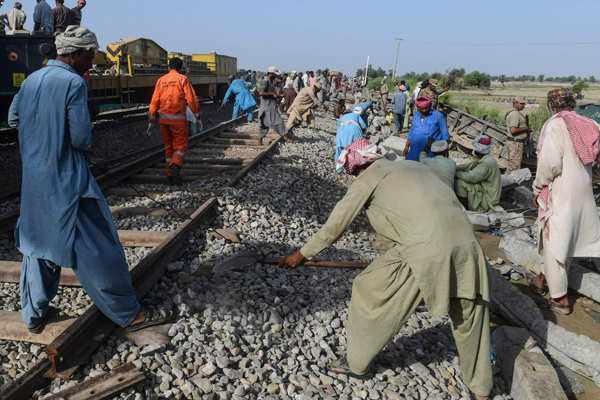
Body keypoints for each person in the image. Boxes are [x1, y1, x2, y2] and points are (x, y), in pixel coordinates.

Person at [281, 139, 492, 400]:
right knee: (469, 317)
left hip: (425, 250)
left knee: (367, 288)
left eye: (353, 173)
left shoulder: (369, 178)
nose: (354, 177)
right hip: (468, 244)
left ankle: (356, 364)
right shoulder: (414, 167)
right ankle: (482, 390)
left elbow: (336, 225)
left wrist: (302, 253)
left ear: (358, 166)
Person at [7, 26, 167, 335]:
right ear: (76, 54)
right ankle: (127, 314)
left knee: (39, 244)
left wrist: (40, 134)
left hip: (34, 178)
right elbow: (81, 137)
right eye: (90, 55)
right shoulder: (72, 83)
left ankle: (34, 314)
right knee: (96, 245)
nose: (92, 62)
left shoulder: (31, 80)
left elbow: (14, 118)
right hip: (67, 178)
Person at [530, 88, 600, 315]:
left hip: (561, 191)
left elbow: (550, 164)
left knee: (553, 241)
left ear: (552, 105)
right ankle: (541, 279)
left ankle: (560, 298)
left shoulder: (556, 125)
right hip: (583, 190)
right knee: (567, 240)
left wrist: (537, 186)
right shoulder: (590, 124)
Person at [148, 57, 200, 185]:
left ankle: (170, 176)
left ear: (168, 67)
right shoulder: (183, 79)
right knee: (180, 146)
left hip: (163, 121)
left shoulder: (161, 80)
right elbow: (192, 100)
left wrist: (151, 121)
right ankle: (175, 166)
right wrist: (197, 118)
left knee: (168, 148)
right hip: (178, 121)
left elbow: (154, 101)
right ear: (181, 68)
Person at [455, 135, 502, 212]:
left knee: (459, 183)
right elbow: (470, 165)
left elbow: (471, 177)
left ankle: (466, 209)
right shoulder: (486, 158)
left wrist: (456, 173)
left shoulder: (486, 163)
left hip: (488, 198)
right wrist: (455, 167)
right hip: (487, 190)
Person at [403, 97, 450, 161]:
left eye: (426, 108)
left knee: (427, 169)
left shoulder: (438, 116)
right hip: (414, 151)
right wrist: (406, 147)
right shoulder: (416, 116)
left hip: (430, 153)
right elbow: (411, 132)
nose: (424, 110)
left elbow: (445, 135)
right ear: (418, 108)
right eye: (421, 109)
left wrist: (445, 151)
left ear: (430, 105)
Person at [258, 66, 289, 146]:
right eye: (275, 74)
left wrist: (278, 96)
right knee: (278, 121)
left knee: (264, 123)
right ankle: (285, 136)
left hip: (270, 105)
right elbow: (261, 93)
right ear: (270, 74)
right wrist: (272, 94)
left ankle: (260, 140)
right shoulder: (266, 81)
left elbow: (271, 94)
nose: (276, 76)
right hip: (267, 106)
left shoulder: (271, 81)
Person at [505, 96, 531, 173]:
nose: (523, 106)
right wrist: (526, 128)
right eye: (521, 103)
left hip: (515, 143)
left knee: (513, 165)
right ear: (515, 103)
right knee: (514, 167)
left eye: (524, 104)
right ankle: (510, 183)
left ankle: (508, 183)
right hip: (515, 143)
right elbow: (513, 130)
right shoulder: (515, 114)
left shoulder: (515, 113)